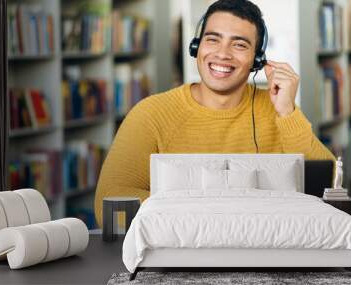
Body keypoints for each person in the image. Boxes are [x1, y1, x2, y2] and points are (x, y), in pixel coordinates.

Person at [94, 0, 335, 226]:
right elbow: (109, 204)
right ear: (196, 47)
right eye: (213, 40)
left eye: (239, 44)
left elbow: (330, 188)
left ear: (257, 59)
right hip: (177, 252)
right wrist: (211, 214)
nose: (223, 53)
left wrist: (287, 112)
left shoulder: (280, 110)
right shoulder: (150, 113)